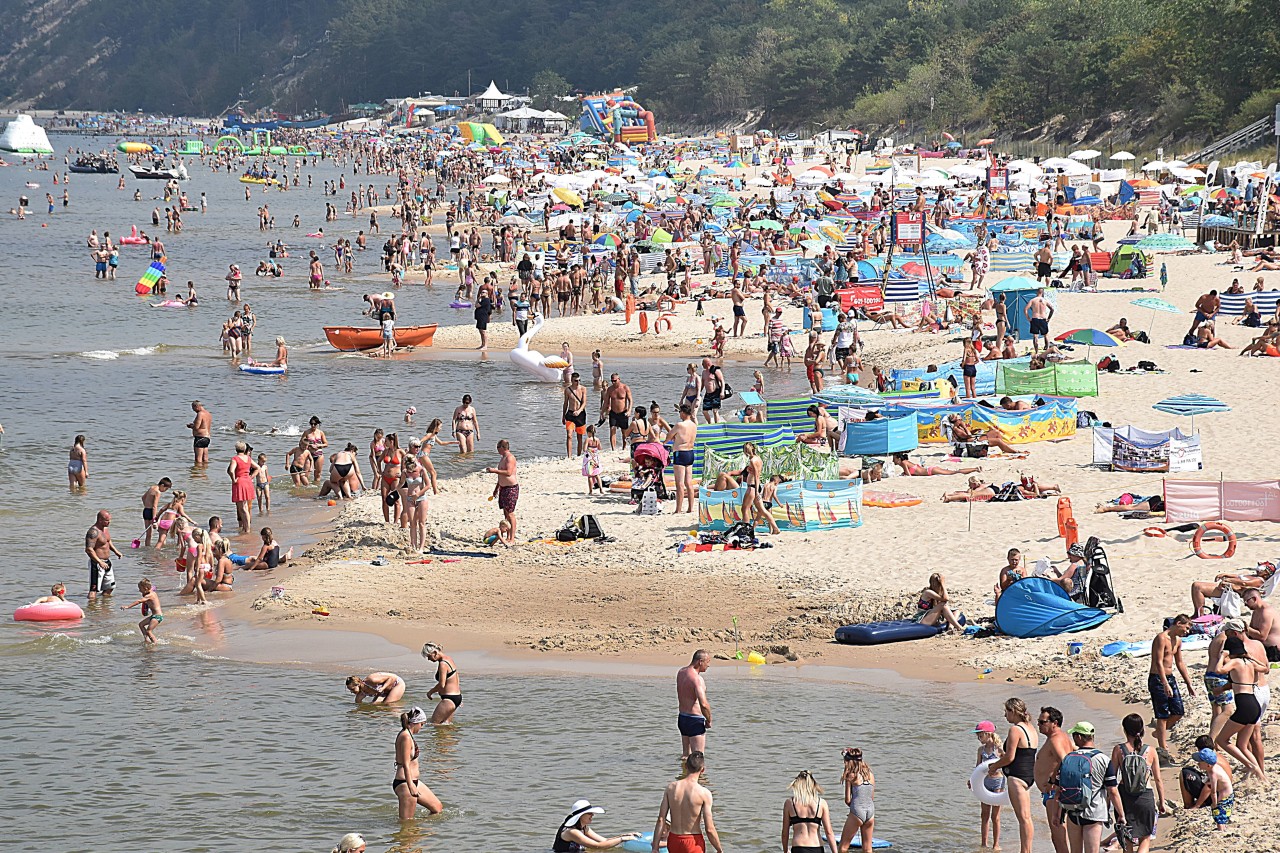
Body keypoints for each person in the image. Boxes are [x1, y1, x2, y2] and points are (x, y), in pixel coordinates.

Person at [1057, 722, 1124, 853]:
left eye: (1074, 735)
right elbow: (1112, 791)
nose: (1073, 738)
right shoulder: (1103, 759)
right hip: (1094, 813)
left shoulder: (1068, 758)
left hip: (1072, 811)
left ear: (1080, 737)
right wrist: (1121, 814)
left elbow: (1060, 788)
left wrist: (1057, 813)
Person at [1211, 635, 1269, 781]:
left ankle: (1251, 766)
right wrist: (1251, 656)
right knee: (1242, 744)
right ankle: (1261, 777)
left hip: (1244, 705)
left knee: (1221, 740)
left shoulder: (1235, 662)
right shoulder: (1249, 663)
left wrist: (1222, 656)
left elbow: (1218, 670)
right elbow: (1266, 668)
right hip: (1253, 703)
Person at [988, 697, 1038, 853]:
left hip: (1017, 777)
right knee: (1026, 817)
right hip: (1030, 775)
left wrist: (994, 767)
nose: (1005, 716)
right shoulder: (1031, 728)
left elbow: (1010, 757)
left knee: (1023, 818)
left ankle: (1025, 851)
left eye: (1006, 712)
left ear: (1013, 712)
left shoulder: (1015, 730)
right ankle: (1026, 850)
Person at [1110, 714, 1164, 853]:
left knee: (1127, 838)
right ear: (1142, 729)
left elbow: (1112, 779)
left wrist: (1108, 802)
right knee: (1145, 838)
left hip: (1125, 798)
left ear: (1125, 730)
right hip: (1145, 797)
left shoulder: (1118, 750)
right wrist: (1162, 802)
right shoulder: (1150, 751)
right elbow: (1158, 779)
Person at [652, 751, 722, 853]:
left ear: (685, 766)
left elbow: (661, 820)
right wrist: (719, 850)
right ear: (702, 770)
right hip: (693, 841)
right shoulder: (704, 793)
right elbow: (709, 829)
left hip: (673, 840)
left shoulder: (671, 788)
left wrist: (655, 847)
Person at [1148, 615, 1196, 763]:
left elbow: (1180, 662)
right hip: (1157, 678)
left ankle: (1159, 733)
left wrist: (1188, 683)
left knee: (1178, 711)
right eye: (1186, 628)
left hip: (1170, 678)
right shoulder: (1161, 638)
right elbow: (1158, 661)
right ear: (1178, 623)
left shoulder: (1178, 641)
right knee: (1162, 715)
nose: (1187, 632)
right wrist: (1164, 683)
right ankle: (1163, 748)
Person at [1033, 706, 1072, 853]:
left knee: (1058, 835)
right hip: (1051, 793)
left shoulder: (1055, 740)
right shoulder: (1060, 737)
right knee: (1057, 835)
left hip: (1053, 793)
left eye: (1042, 722)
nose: (1039, 725)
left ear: (1054, 723)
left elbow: (1066, 761)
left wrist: (1052, 782)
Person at [393, 707, 443, 818]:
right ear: (415, 722)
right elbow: (406, 763)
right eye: (421, 724)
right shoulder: (405, 736)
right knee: (407, 824)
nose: (421, 728)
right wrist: (411, 786)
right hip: (405, 783)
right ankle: (410, 834)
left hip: (413, 781)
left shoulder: (408, 735)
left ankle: (419, 832)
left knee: (437, 808)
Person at [782, 770, 838, 853]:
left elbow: (785, 832)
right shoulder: (821, 803)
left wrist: (786, 850)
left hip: (798, 848)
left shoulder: (790, 803)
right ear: (813, 785)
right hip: (817, 847)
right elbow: (829, 832)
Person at [554, 800, 638, 852]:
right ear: (580, 816)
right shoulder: (572, 832)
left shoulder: (584, 827)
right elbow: (597, 846)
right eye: (589, 813)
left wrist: (625, 835)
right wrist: (621, 839)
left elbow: (604, 841)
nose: (593, 815)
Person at [971, 721, 1004, 851]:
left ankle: (996, 844)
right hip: (985, 782)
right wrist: (972, 780)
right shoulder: (981, 750)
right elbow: (978, 767)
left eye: (980, 735)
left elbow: (1008, 762)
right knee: (984, 815)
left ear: (987, 733)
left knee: (995, 816)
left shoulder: (999, 749)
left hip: (998, 782)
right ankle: (984, 843)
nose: (978, 738)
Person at [837, 748, 874, 853]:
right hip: (870, 812)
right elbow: (871, 797)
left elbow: (847, 800)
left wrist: (854, 811)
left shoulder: (851, 775)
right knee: (867, 849)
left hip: (857, 811)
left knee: (843, 847)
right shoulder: (870, 775)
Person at [677, 649, 712, 758]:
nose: (708, 666)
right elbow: (704, 704)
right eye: (707, 662)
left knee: (685, 756)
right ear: (700, 662)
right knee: (698, 759)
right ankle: (699, 776)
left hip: (682, 718)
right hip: (694, 720)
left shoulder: (681, 672)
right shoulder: (697, 679)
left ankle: (683, 774)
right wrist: (709, 720)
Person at [741, 442, 780, 535]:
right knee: (762, 510)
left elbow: (756, 476)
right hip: (756, 487)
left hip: (752, 487)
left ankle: (746, 530)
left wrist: (756, 493)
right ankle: (775, 528)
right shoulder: (758, 459)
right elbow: (757, 473)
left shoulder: (752, 461)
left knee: (744, 509)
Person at [1188, 747, 1233, 829]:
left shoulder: (1213, 773)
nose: (1198, 764)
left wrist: (1215, 803)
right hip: (1227, 792)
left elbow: (1213, 791)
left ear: (1208, 765)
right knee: (1222, 813)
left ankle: (1221, 829)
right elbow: (1209, 781)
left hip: (1224, 795)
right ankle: (1222, 827)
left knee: (1218, 813)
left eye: (1200, 762)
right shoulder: (1214, 767)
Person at [421, 642, 463, 724]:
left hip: (449, 699)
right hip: (456, 697)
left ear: (435, 653)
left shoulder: (443, 664)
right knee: (446, 727)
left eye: (429, 656)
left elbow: (441, 685)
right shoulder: (449, 659)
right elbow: (455, 678)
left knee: (434, 724)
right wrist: (458, 696)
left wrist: (430, 692)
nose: (429, 659)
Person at [486, 440, 518, 545]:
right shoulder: (502, 458)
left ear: (502, 447)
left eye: (497, 448)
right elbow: (501, 476)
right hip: (503, 488)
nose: (497, 450)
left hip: (511, 488)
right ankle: (508, 537)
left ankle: (512, 538)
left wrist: (494, 470)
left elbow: (508, 473)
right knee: (505, 513)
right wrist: (496, 489)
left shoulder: (510, 458)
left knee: (510, 513)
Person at [84, 509, 121, 599]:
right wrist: (99, 562)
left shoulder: (105, 529)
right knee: (94, 590)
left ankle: (103, 607)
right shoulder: (93, 532)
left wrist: (116, 551)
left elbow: (107, 542)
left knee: (110, 588)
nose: (109, 522)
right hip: (97, 564)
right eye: (107, 520)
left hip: (107, 562)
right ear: (100, 520)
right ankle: (92, 609)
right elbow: (89, 549)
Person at [227, 441, 261, 534]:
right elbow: (258, 468)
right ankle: (246, 528)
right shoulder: (248, 458)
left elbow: (231, 470)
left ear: (236, 449)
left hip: (240, 482)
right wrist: (251, 477)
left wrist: (233, 479)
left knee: (243, 508)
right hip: (247, 482)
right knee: (244, 507)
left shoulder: (235, 458)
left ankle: (247, 529)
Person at [669, 404, 697, 514]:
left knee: (679, 483)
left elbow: (669, 436)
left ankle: (678, 509)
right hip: (690, 453)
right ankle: (690, 508)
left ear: (683, 413)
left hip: (680, 453)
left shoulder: (679, 425)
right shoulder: (694, 425)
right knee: (688, 482)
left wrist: (665, 443)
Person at [1242, 585, 1280, 662]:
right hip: (1261, 646)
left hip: (1273, 651)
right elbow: (1252, 632)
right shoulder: (1256, 611)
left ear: (1254, 599)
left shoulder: (1266, 612)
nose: (1245, 604)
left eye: (1246, 601)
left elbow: (1262, 636)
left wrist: (1246, 627)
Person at [121, 578, 162, 643]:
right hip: (154, 616)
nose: (139, 590)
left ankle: (155, 643)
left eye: (140, 589)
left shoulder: (150, 595)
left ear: (145, 588)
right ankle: (146, 640)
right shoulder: (151, 591)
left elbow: (139, 601)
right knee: (141, 624)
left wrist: (128, 606)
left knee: (149, 631)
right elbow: (152, 588)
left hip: (157, 616)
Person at [601, 373, 633, 450]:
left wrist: (629, 410)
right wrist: (602, 412)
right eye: (612, 381)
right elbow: (606, 402)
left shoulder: (625, 388)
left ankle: (624, 447)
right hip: (613, 412)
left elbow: (630, 400)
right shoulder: (610, 389)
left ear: (619, 379)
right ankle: (613, 449)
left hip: (623, 412)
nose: (613, 382)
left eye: (615, 381)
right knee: (612, 429)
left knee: (624, 432)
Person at [892, 451, 980, 477]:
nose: (893, 461)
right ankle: (975, 468)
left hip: (930, 471)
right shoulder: (905, 462)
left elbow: (908, 475)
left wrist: (904, 474)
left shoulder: (903, 463)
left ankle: (975, 469)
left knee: (954, 472)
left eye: (894, 459)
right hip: (930, 469)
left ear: (898, 459)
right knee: (954, 472)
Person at [563, 371, 589, 458]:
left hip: (580, 414)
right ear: (571, 380)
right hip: (570, 414)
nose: (577, 382)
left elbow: (584, 402)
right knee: (569, 435)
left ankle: (578, 455)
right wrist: (563, 415)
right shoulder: (567, 390)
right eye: (575, 381)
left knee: (579, 437)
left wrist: (579, 411)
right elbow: (565, 403)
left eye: (579, 380)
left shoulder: (583, 389)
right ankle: (569, 456)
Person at [1025, 288, 1053, 353]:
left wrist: (1028, 318)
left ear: (1037, 292)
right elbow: (1052, 309)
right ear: (1042, 292)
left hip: (1035, 318)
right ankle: (1047, 349)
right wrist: (1049, 318)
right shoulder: (1045, 300)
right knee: (1045, 335)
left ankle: (1036, 351)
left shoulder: (1033, 300)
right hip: (1043, 318)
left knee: (1035, 336)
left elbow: (1025, 309)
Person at [188, 400, 212, 466]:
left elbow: (196, 427)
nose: (194, 410)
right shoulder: (208, 413)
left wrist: (191, 426)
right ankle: (204, 473)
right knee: (205, 459)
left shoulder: (200, 414)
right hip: (207, 437)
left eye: (193, 408)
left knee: (198, 459)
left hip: (200, 438)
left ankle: (198, 473)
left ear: (197, 406)